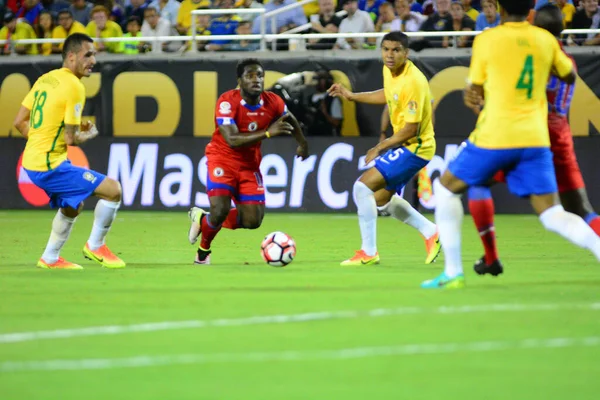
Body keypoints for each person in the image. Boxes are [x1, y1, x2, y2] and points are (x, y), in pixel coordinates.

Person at [423, 0, 600, 289]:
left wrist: (480, 92)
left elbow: (475, 88)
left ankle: (453, 272)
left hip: (496, 134)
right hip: (536, 138)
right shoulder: (545, 39)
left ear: (500, 10)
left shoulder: (488, 38)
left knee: (445, 190)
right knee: (553, 213)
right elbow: (568, 72)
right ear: (529, 9)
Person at [12, 33, 125, 270]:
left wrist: (43, 140)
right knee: (113, 191)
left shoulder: (46, 79)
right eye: (88, 55)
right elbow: (71, 139)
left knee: (73, 205)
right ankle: (96, 246)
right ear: (71, 56)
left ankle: (50, 258)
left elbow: (20, 122)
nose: (93, 60)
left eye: (94, 54)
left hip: (33, 161)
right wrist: (89, 134)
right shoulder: (74, 86)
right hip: (49, 165)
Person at [328, 31, 441, 267]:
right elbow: (388, 96)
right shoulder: (389, 71)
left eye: (396, 50)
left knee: (362, 187)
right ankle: (431, 231)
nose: (390, 55)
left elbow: (411, 129)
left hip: (415, 147)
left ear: (406, 53)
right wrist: (352, 96)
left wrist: (380, 146)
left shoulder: (414, 81)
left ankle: (368, 252)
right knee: (379, 200)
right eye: (386, 49)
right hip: (408, 145)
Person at [187, 58, 309, 265]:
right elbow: (232, 140)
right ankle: (203, 251)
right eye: (250, 76)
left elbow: (289, 118)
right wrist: (268, 133)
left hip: (249, 165)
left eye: (260, 76)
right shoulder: (227, 102)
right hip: (222, 159)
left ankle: (202, 219)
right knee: (220, 210)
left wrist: (302, 143)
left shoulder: (273, 102)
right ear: (240, 80)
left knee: (253, 221)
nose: (256, 80)